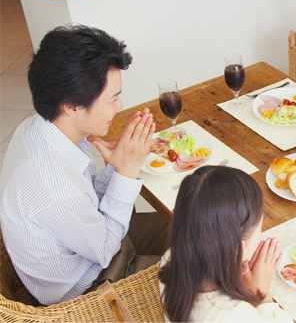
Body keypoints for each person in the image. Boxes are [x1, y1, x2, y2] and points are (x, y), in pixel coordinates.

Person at [0, 25, 169, 306]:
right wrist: (125, 173)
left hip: (90, 245)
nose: (119, 105)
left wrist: (115, 168)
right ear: (71, 105)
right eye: (112, 98)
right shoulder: (53, 187)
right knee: (212, 264)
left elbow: (86, 200)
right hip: (91, 284)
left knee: (196, 224)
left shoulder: (41, 128)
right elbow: (104, 249)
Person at [159, 166, 292, 323]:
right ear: (237, 244)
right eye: (260, 226)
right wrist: (263, 297)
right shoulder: (235, 315)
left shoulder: (171, 257)